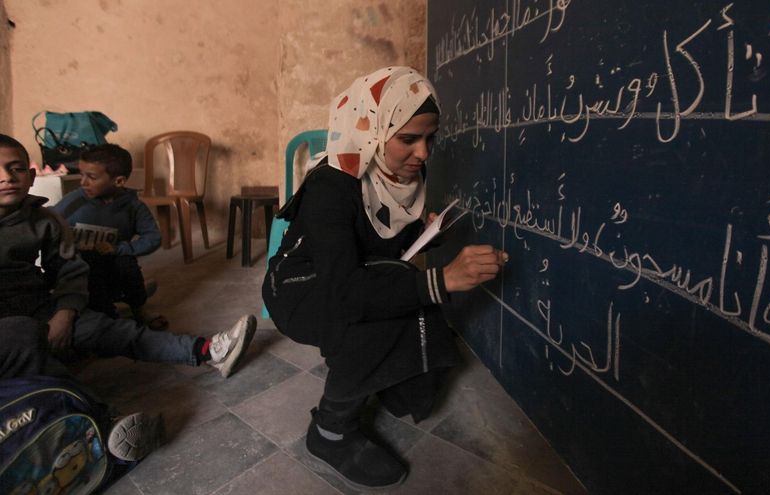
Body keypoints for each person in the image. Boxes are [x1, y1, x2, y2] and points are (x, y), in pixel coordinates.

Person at [262, 66, 508, 491]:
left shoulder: (396, 178)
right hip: (300, 290)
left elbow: (377, 244)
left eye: (430, 138)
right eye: (408, 139)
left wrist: (424, 234)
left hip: (344, 280)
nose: (423, 153)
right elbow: (345, 293)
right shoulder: (332, 185)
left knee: (401, 300)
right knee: (376, 314)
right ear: (373, 131)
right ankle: (330, 432)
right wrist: (441, 280)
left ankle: (386, 379)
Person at [0, 133, 257, 458]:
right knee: (45, 367)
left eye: (15, 168)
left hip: (46, 310)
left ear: (31, 175)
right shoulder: (72, 204)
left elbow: (68, 270)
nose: (7, 177)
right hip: (12, 330)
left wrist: (65, 311)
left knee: (114, 329)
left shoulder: (47, 220)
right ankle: (101, 425)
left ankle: (208, 351)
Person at [53, 144, 166, 329]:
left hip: (114, 266)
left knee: (127, 264)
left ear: (119, 181)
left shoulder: (133, 207)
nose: (83, 182)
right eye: (81, 175)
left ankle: (139, 308)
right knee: (99, 308)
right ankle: (106, 312)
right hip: (83, 270)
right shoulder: (74, 201)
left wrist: (120, 249)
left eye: (91, 177)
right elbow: (50, 222)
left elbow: (153, 238)